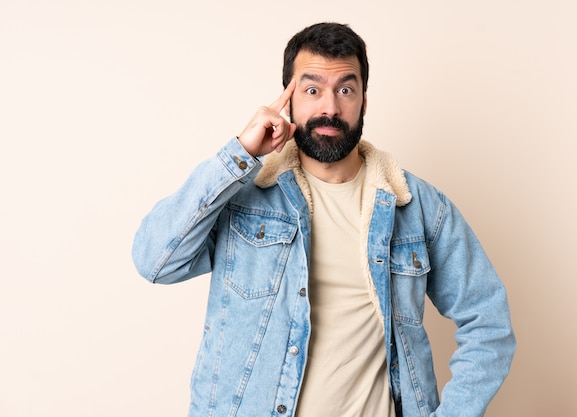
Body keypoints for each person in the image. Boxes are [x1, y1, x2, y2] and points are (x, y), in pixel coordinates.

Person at [132, 22, 515, 417]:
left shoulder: (418, 208)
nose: (330, 107)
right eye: (312, 90)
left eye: (345, 90)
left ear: (364, 100)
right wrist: (240, 154)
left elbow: (489, 326)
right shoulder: (244, 196)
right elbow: (154, 261)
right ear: (288, 100)